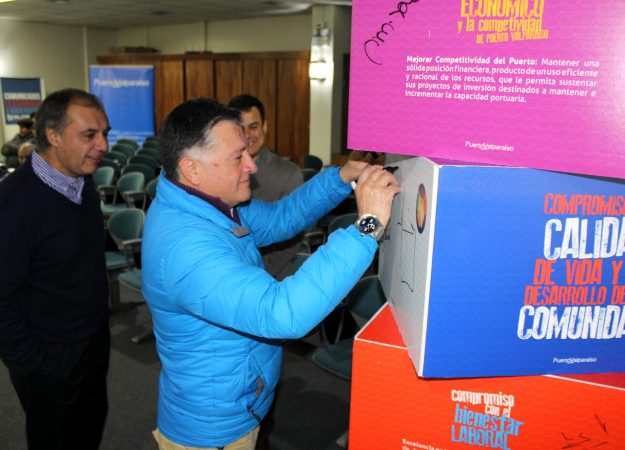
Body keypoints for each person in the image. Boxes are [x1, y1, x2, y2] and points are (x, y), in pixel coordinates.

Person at [142, 97, 399, 450]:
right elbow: (282, 313)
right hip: (215, 432)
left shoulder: (205, 205)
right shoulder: (186, 248)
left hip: (237, 405)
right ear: (192, 169)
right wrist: (366, 227)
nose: (251, 165)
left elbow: (281, 218)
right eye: (238, 157)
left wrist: (342, 176)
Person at [0, 88, 111, 450]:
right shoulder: (12, 205)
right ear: (53, 135)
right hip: (48, 357)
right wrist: (37, 364)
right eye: (89, 135)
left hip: (92, 344)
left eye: (104, 133)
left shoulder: (84, 183)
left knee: (89, 430)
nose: (103, 145)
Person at [227, 94, 304, 280]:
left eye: (253, 126)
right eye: (240, 128)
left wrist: (254, 275)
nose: (247, 135)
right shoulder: (220, 173)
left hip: (273, 277)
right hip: (228, 272)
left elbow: (292, 240)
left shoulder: (289, 173)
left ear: (265, 127)